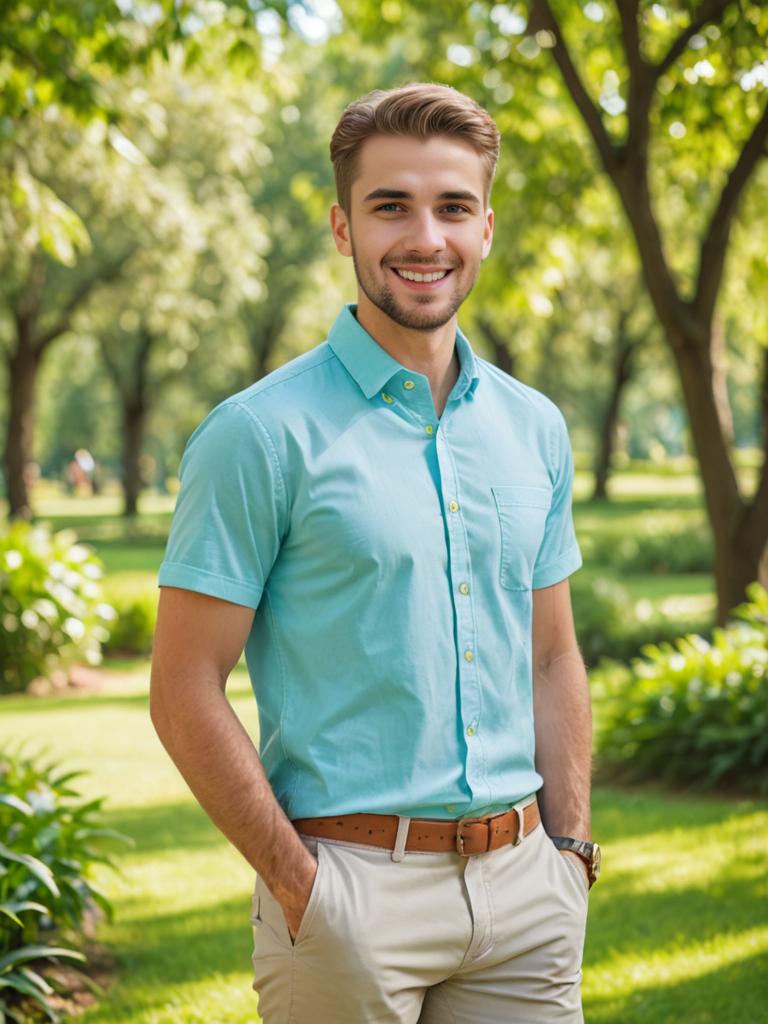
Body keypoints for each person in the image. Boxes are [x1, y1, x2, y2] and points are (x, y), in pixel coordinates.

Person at [150, 82, 600, 1024]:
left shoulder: (535, 427)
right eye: (390, 205)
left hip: (527, 895)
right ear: (343, 227)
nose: (424, 237)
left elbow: (552, 653)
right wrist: (298, 881)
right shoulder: (258, 435)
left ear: (485, 227)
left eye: (452, 207)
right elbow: (185, 683)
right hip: (349, 894)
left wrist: (570, 853)